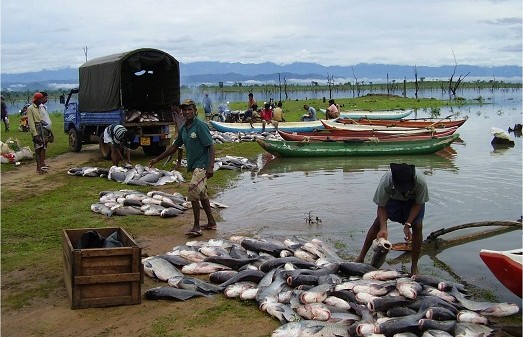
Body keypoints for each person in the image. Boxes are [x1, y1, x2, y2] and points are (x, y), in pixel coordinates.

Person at [148, 99, 217, 237]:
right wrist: (157, 159)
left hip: (202, 166)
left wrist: (210, 166)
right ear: (182, 112)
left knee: (192, 191)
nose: (187, 112)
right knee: (202, 195)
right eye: (184, 109)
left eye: (190, 109)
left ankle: (196, 226)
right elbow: (174, 146)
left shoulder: (200, 126)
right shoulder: (185, 128)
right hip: (194, 166)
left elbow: (211, 145)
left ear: (195, 111)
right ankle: (211, 222)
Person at [355, 163, 429, 275]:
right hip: (392, 200)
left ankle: (414, 266)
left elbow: (419, 204)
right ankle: (361, 257)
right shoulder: (386, 181)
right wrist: (383, 228)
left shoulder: (420, 182)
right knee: (377, 224)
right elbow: (381, 205)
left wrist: (408, 224)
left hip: (412, 202)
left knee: (418, 226)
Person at [27, 92, 53, 174]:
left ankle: (41, 167)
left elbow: (41, 119)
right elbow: (31, 122)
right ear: (37, 100)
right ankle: (38, 168)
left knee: (42, 148)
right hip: (36, 129)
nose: (42, 100)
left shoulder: (39, 107)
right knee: (37, 149)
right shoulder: (30, 108)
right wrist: (35, 135)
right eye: (41, 99)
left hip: (42, 128)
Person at [171, 100, 185, 170]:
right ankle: (179, 163)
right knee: (178, 147)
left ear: (175, 106)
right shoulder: (174, 114)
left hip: (187, 131)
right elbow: (176, 124)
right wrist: (176, 133)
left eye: (172, 106)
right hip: (180, 132)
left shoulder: (184, 112)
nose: (171, 108)